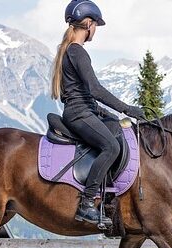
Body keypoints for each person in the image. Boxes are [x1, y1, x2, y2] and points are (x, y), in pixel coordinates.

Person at [51, 0, 144, 224]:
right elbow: (94, 90)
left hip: (84, 111)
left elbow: (85, 95)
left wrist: (111, 116)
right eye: (95, 27)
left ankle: (110, 201)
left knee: (116, 131)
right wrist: (127, 108)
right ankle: (86, 202)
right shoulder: (77, 52)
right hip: (79, 114)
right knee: (111, 146)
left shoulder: (69, 51)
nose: (95, 32)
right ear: (89, 24)